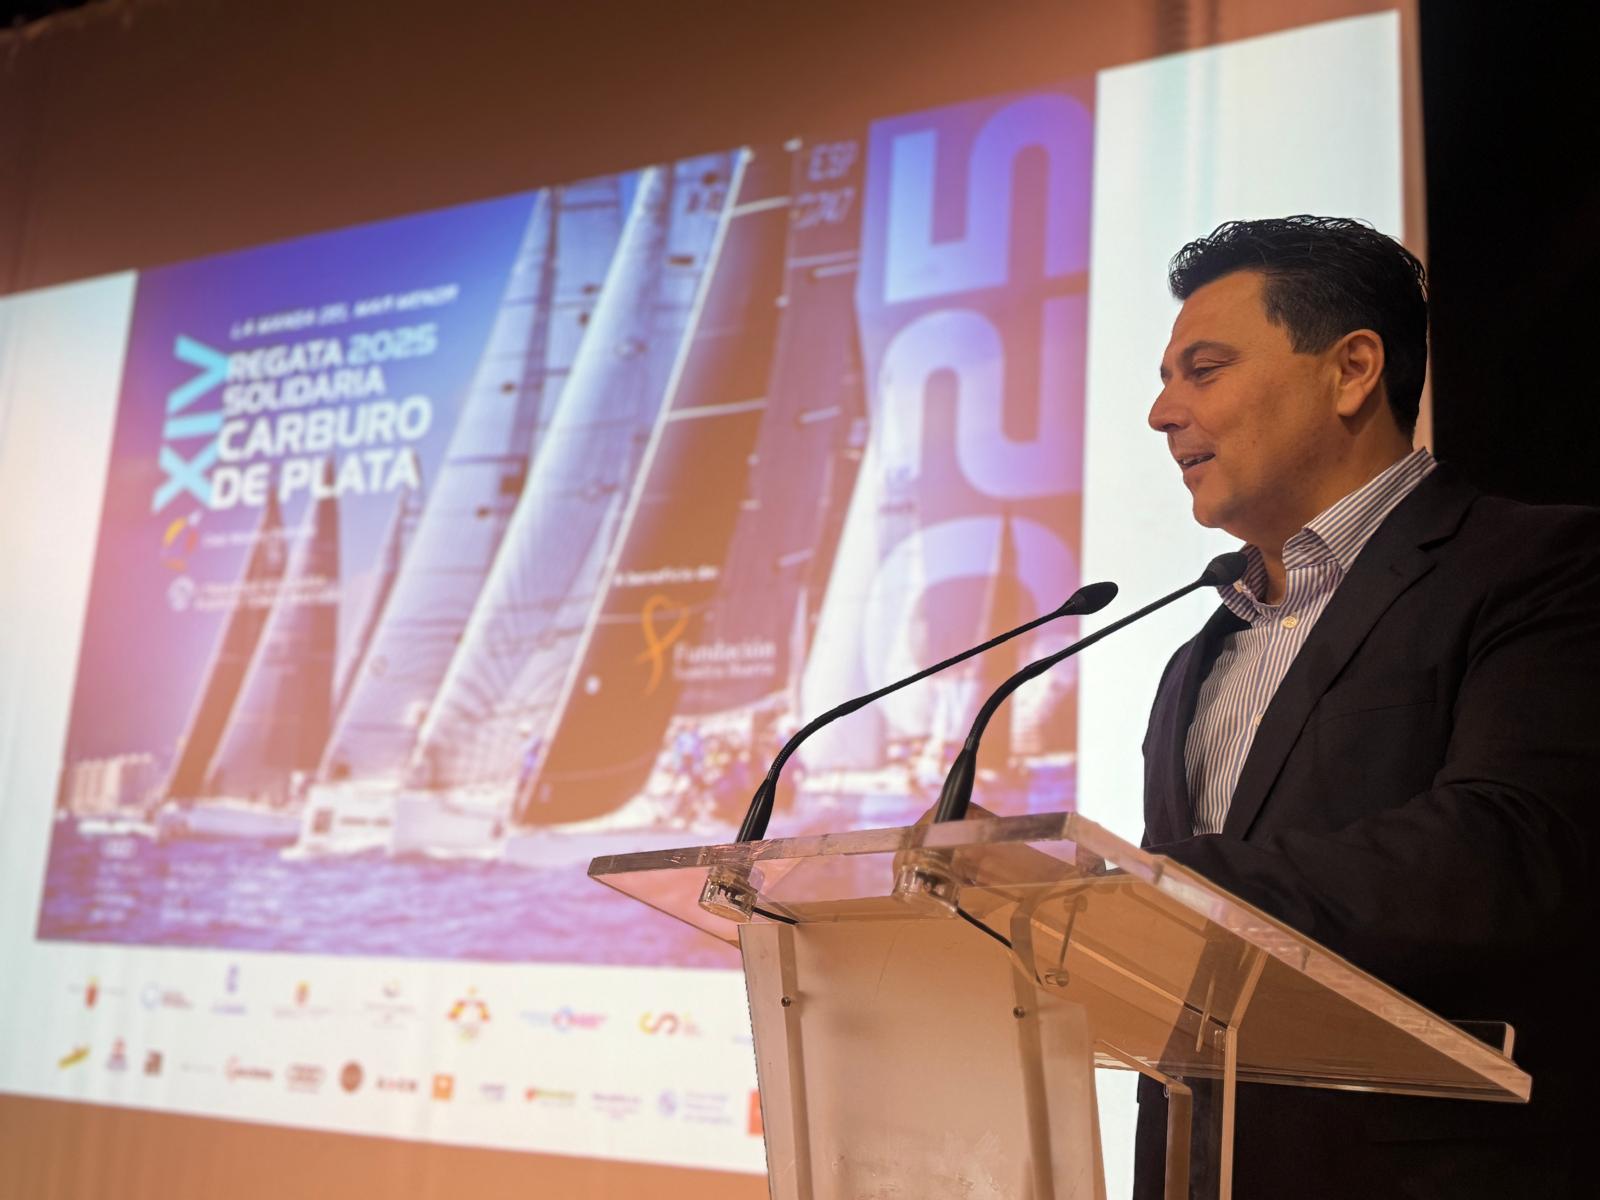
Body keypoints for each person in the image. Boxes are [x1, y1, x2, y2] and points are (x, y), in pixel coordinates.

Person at [1135, 216, 1598, 1198]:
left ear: (1351, 371)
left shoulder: (1540, 567)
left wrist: (1160, 887)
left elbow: (1508, 849)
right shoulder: (1193, 662)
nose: (1161, 413)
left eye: (1202, 370)